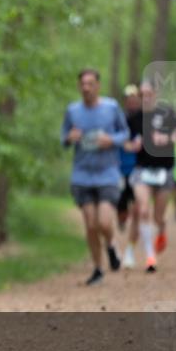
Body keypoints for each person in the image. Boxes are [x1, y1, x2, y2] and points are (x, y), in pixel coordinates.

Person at [61, 69, 129, 285]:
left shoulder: (111, 107)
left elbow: (125, 133)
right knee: (90, 225)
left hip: (108, 173)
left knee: (104, 222)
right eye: (83, 84)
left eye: (90, 83)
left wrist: (111, 140)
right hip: (82, 175)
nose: (86, 88)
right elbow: (64, 137)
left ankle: (111, 245)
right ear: (79, 86)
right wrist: (69, 137)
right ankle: (98, 268)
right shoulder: (72, 111)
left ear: (98, 85)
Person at [130, 79, 176, 273]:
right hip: (142, 170)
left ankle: (161, 229)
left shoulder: (167, 113)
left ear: (156, 94)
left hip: (164, 171)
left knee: (158, 216)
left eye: (149, 94)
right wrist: (132, 146)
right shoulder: (134, 117)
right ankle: (150, 255)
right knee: (143, 210)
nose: (145, 98)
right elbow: (125, 142)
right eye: (142, 95)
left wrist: (170, 138)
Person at [117, 84, 143, 267]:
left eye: (136, 98)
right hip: (119, 169)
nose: (132, 102)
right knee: (122, 211)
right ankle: (121, 221)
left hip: (138, 169)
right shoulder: (119, 118)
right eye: (129, 99)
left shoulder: (144, 119)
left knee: (138, 210)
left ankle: (130, 251)